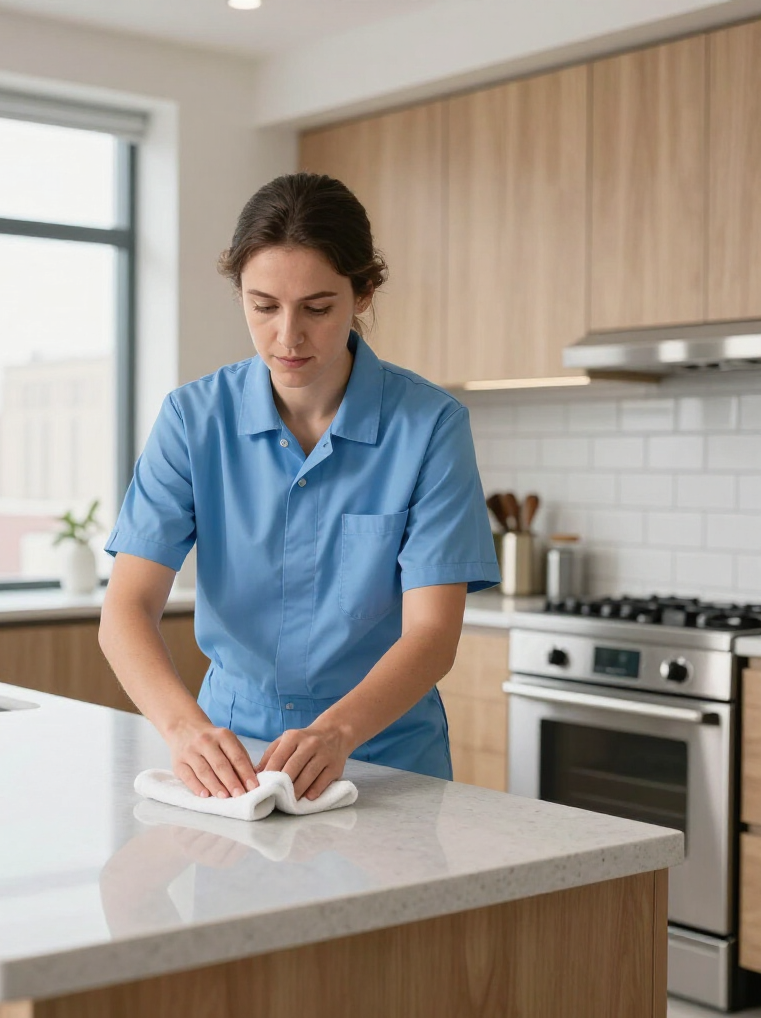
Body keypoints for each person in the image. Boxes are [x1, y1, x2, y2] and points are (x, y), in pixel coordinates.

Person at [99, 172, 500, 803]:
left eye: (317, 308)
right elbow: (126, 608)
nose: (288, 337)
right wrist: (184, 732)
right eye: (263, 307)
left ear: (363, 292)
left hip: (386, 758)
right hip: (230, 758)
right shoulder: (192, 420)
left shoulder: (429, 426)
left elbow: (432, 633)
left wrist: (338, 731)